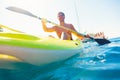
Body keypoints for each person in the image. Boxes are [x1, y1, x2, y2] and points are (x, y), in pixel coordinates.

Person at [41, 12, 106, 40]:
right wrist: (43, 23)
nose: (60, 16)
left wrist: (86, 36)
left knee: (64, 34)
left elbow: (77, 35)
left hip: (70, 42)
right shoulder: (56, 27)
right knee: (49, 36)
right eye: (58, 15)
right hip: (60, 43)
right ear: (57, 17)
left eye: (61, 15)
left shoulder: (69, 25)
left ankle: (98, 36)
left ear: (64, 16)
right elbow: (46, 30)